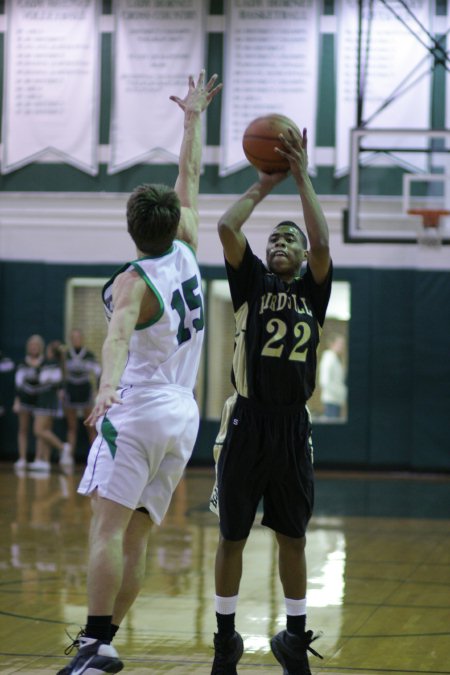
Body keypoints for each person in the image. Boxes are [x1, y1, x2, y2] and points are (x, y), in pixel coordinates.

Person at [57, 69, 222, 675]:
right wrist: (193, 117)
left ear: (131, 228)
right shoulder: (187, 247)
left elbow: (119, 336)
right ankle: (106, 642)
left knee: (105, 528)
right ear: (172, 220)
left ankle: (93, 647)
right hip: (182, 415)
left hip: (141, 404)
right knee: (137, 538)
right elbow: (192, 176)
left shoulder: (133, 280)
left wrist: (104, 389)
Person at [210, 127, 332, 675]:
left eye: (290, 239)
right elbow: (225, 226)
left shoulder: (314, 289)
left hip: (291, 426)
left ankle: (293, 636)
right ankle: (225, 639)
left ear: (303, 255)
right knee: (233, 534)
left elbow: (325, 244)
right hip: (248, 421)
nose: (280, 243)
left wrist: (302, 175)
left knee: (294, 536)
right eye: (274, 239)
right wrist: (264, 184)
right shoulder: (251, 284)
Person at [31, 340, 71, 472]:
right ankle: (45, 461)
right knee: (45, 431)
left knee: (39, 431)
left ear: (50, 352)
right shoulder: (59, 364)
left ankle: (62, 447)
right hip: (50, 401)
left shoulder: (49, 364)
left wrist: (36, 367)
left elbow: (42, 380)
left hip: (46, 401)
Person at [63, 328, 101, 463]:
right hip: (71, 391)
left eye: (78, 337)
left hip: (85, 391)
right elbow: (62, 374)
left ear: (82, 339)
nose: (76, 340)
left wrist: (97, 389)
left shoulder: (89, 355)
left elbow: (98, 372)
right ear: (71, 340)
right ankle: (69, 457)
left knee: (91, 426)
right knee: (72, 427)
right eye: (73, 338)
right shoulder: (66, 355)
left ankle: (96, 457)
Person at [13, 334, 45, 469]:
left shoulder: (45, 362)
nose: (33, 348)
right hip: (25, 399)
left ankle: (38, 458)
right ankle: (22, 458)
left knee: (39, 430)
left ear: (40, 347)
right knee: (23, 429)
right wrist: (17, 400)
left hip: (40, 400)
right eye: (31, 345)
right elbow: (18, 383)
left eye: (36, 345)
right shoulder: (22, 363)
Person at [319, 333, 347, 419]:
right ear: (332, 343)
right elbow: (324, 380)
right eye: (340, 343)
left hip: (336, 400)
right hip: (331, 400)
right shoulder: (328, 357)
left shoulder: (335, 358)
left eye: (343, 344)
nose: (342, 346)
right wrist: (338, 393)